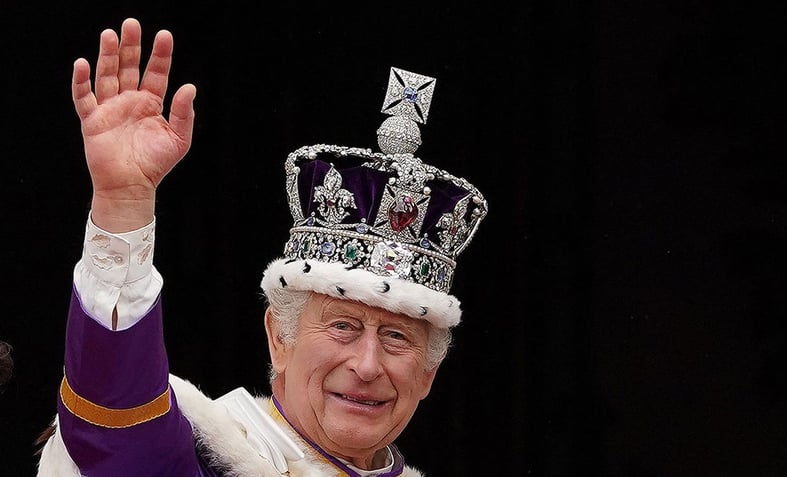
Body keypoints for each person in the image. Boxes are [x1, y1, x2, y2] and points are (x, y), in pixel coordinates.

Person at [35, 17, 488, 476]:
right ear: (278, 338)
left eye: (396, 337)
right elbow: (117, 422)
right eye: (343, 326)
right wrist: (122, 206)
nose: (367, 366)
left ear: (428, 374)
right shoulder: (198, 456)